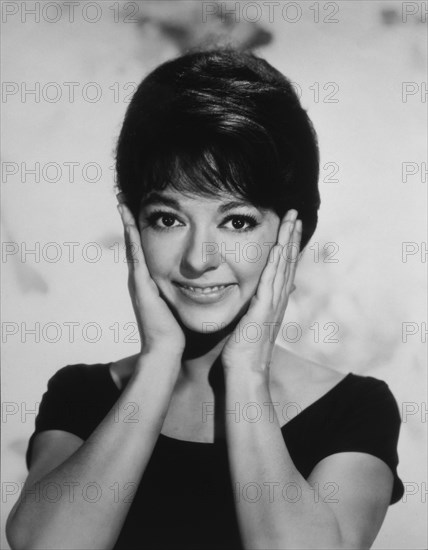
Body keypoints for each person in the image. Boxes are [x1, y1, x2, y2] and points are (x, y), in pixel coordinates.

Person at [6, 48, 404, 550]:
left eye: (236, 221)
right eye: (168, 219)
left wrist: (247, 372)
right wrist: (158, 362)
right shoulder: (81, 396)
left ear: (292, 232)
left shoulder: (354, 409)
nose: (199, 258)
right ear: (134, 228)